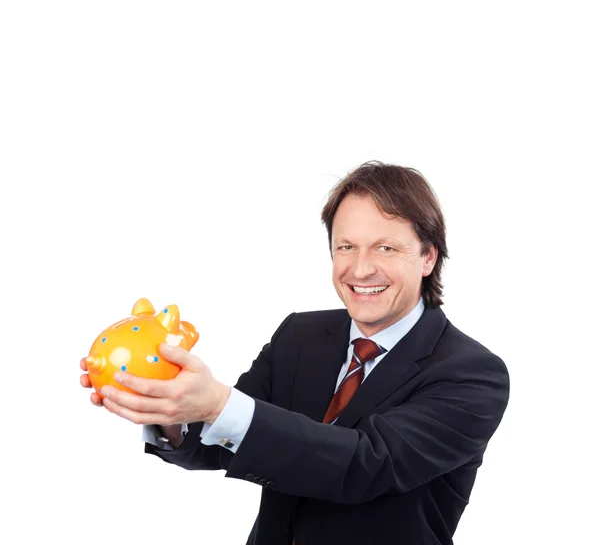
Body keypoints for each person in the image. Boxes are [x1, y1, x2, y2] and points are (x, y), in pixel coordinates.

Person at [80, 161, 510, 545]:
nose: (360, 269)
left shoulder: (473, 375)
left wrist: (217, 403)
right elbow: (224, 442)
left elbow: (366, 464)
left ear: (428, 257)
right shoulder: (299, 335)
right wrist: (169, 409)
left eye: (386, 247)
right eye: (346, 246)